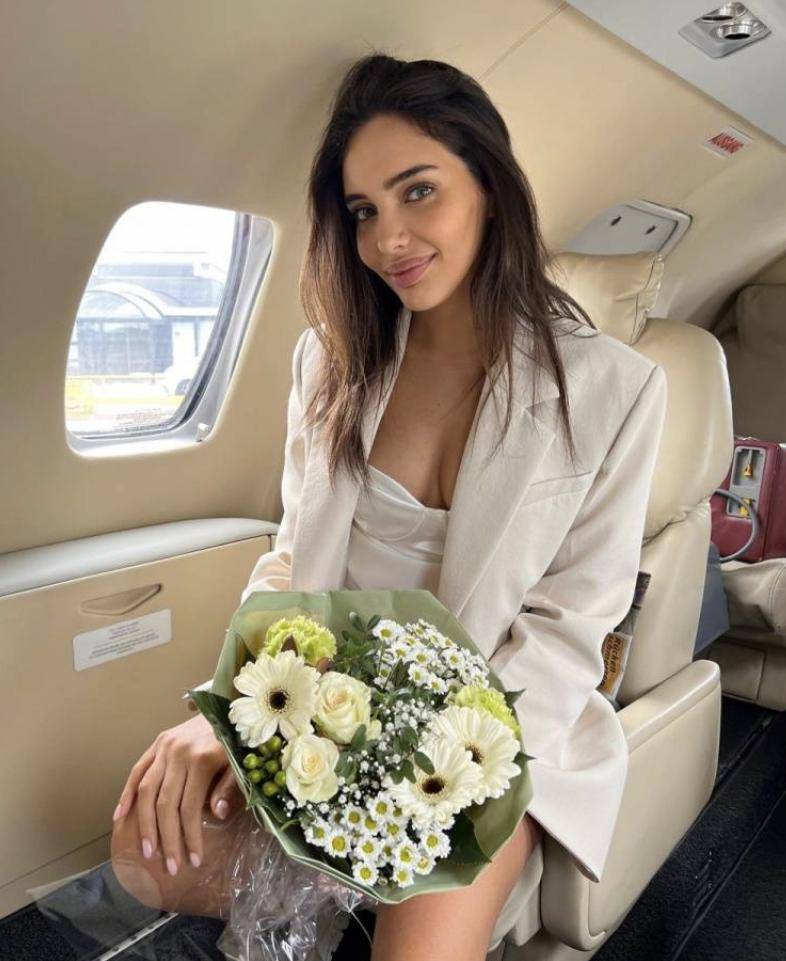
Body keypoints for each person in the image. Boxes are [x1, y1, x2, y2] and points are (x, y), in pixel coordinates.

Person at [112, 52, 667, 960]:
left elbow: (567, 635)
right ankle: (330, 894)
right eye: (364, 211)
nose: (388, 239)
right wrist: (235, 710)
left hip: (492, 734)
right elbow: (291, 559)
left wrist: (421, 771)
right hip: (325, 701)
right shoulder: (329, 360)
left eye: (418, 192)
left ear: (489, 186)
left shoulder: (615, 390)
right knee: (145, 856)